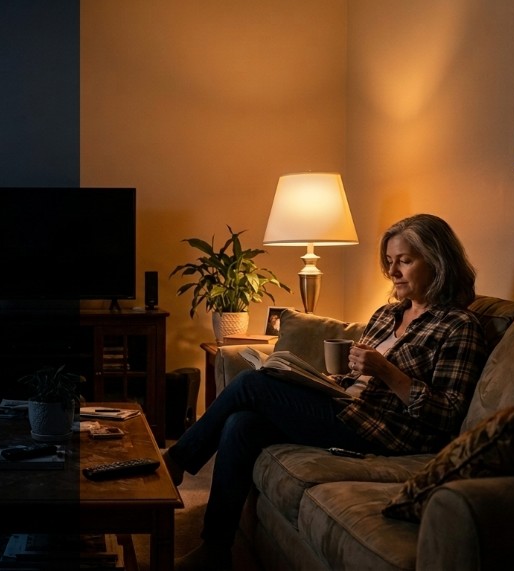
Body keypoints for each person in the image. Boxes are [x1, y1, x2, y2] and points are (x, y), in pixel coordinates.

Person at [163, 213, 488, 570]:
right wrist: (318, 382)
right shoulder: (387, 315)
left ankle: (175, 463)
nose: (393, 272)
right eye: (390, 262)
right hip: (348, 407)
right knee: (242, 423)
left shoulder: (458, 325)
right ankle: (216, 550)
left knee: (251, 384)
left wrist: (388, 372)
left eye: (405, 262)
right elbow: (354, 379)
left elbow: (447, 414)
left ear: (438, 263)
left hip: (389, 432)